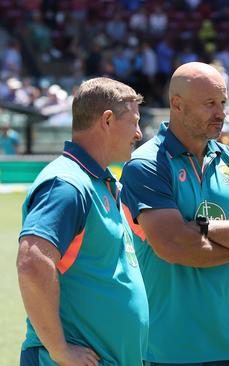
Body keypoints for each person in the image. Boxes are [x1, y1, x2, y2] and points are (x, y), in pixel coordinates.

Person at [120, 62, 229, 366]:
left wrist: (203, 228)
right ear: (177, 105)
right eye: (210, 103)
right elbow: (175, 246)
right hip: (168, 351)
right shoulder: (145, 166)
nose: (220, 112)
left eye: (222, 102)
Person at [16, 77, 148, 365]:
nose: (139, 133)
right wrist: (59, 349)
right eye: (134, 122)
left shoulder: (103, 182)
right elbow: (32, 262)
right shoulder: (67, 184)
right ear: (108, 121)